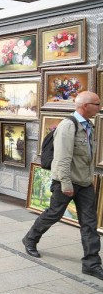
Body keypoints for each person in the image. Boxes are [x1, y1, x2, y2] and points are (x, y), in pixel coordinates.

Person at [22, 91, 103, 281]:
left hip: (84, 183)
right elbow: (61, 159)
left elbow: (86, 157)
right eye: (97, 103)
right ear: (85, 106)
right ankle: (30, 239)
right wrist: (66, 183)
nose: (100, 107)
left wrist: (89, 178)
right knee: (53, 214)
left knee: (89, 224)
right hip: (66, 182)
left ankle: (92, 264)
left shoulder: (88, 125)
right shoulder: (68, 126)